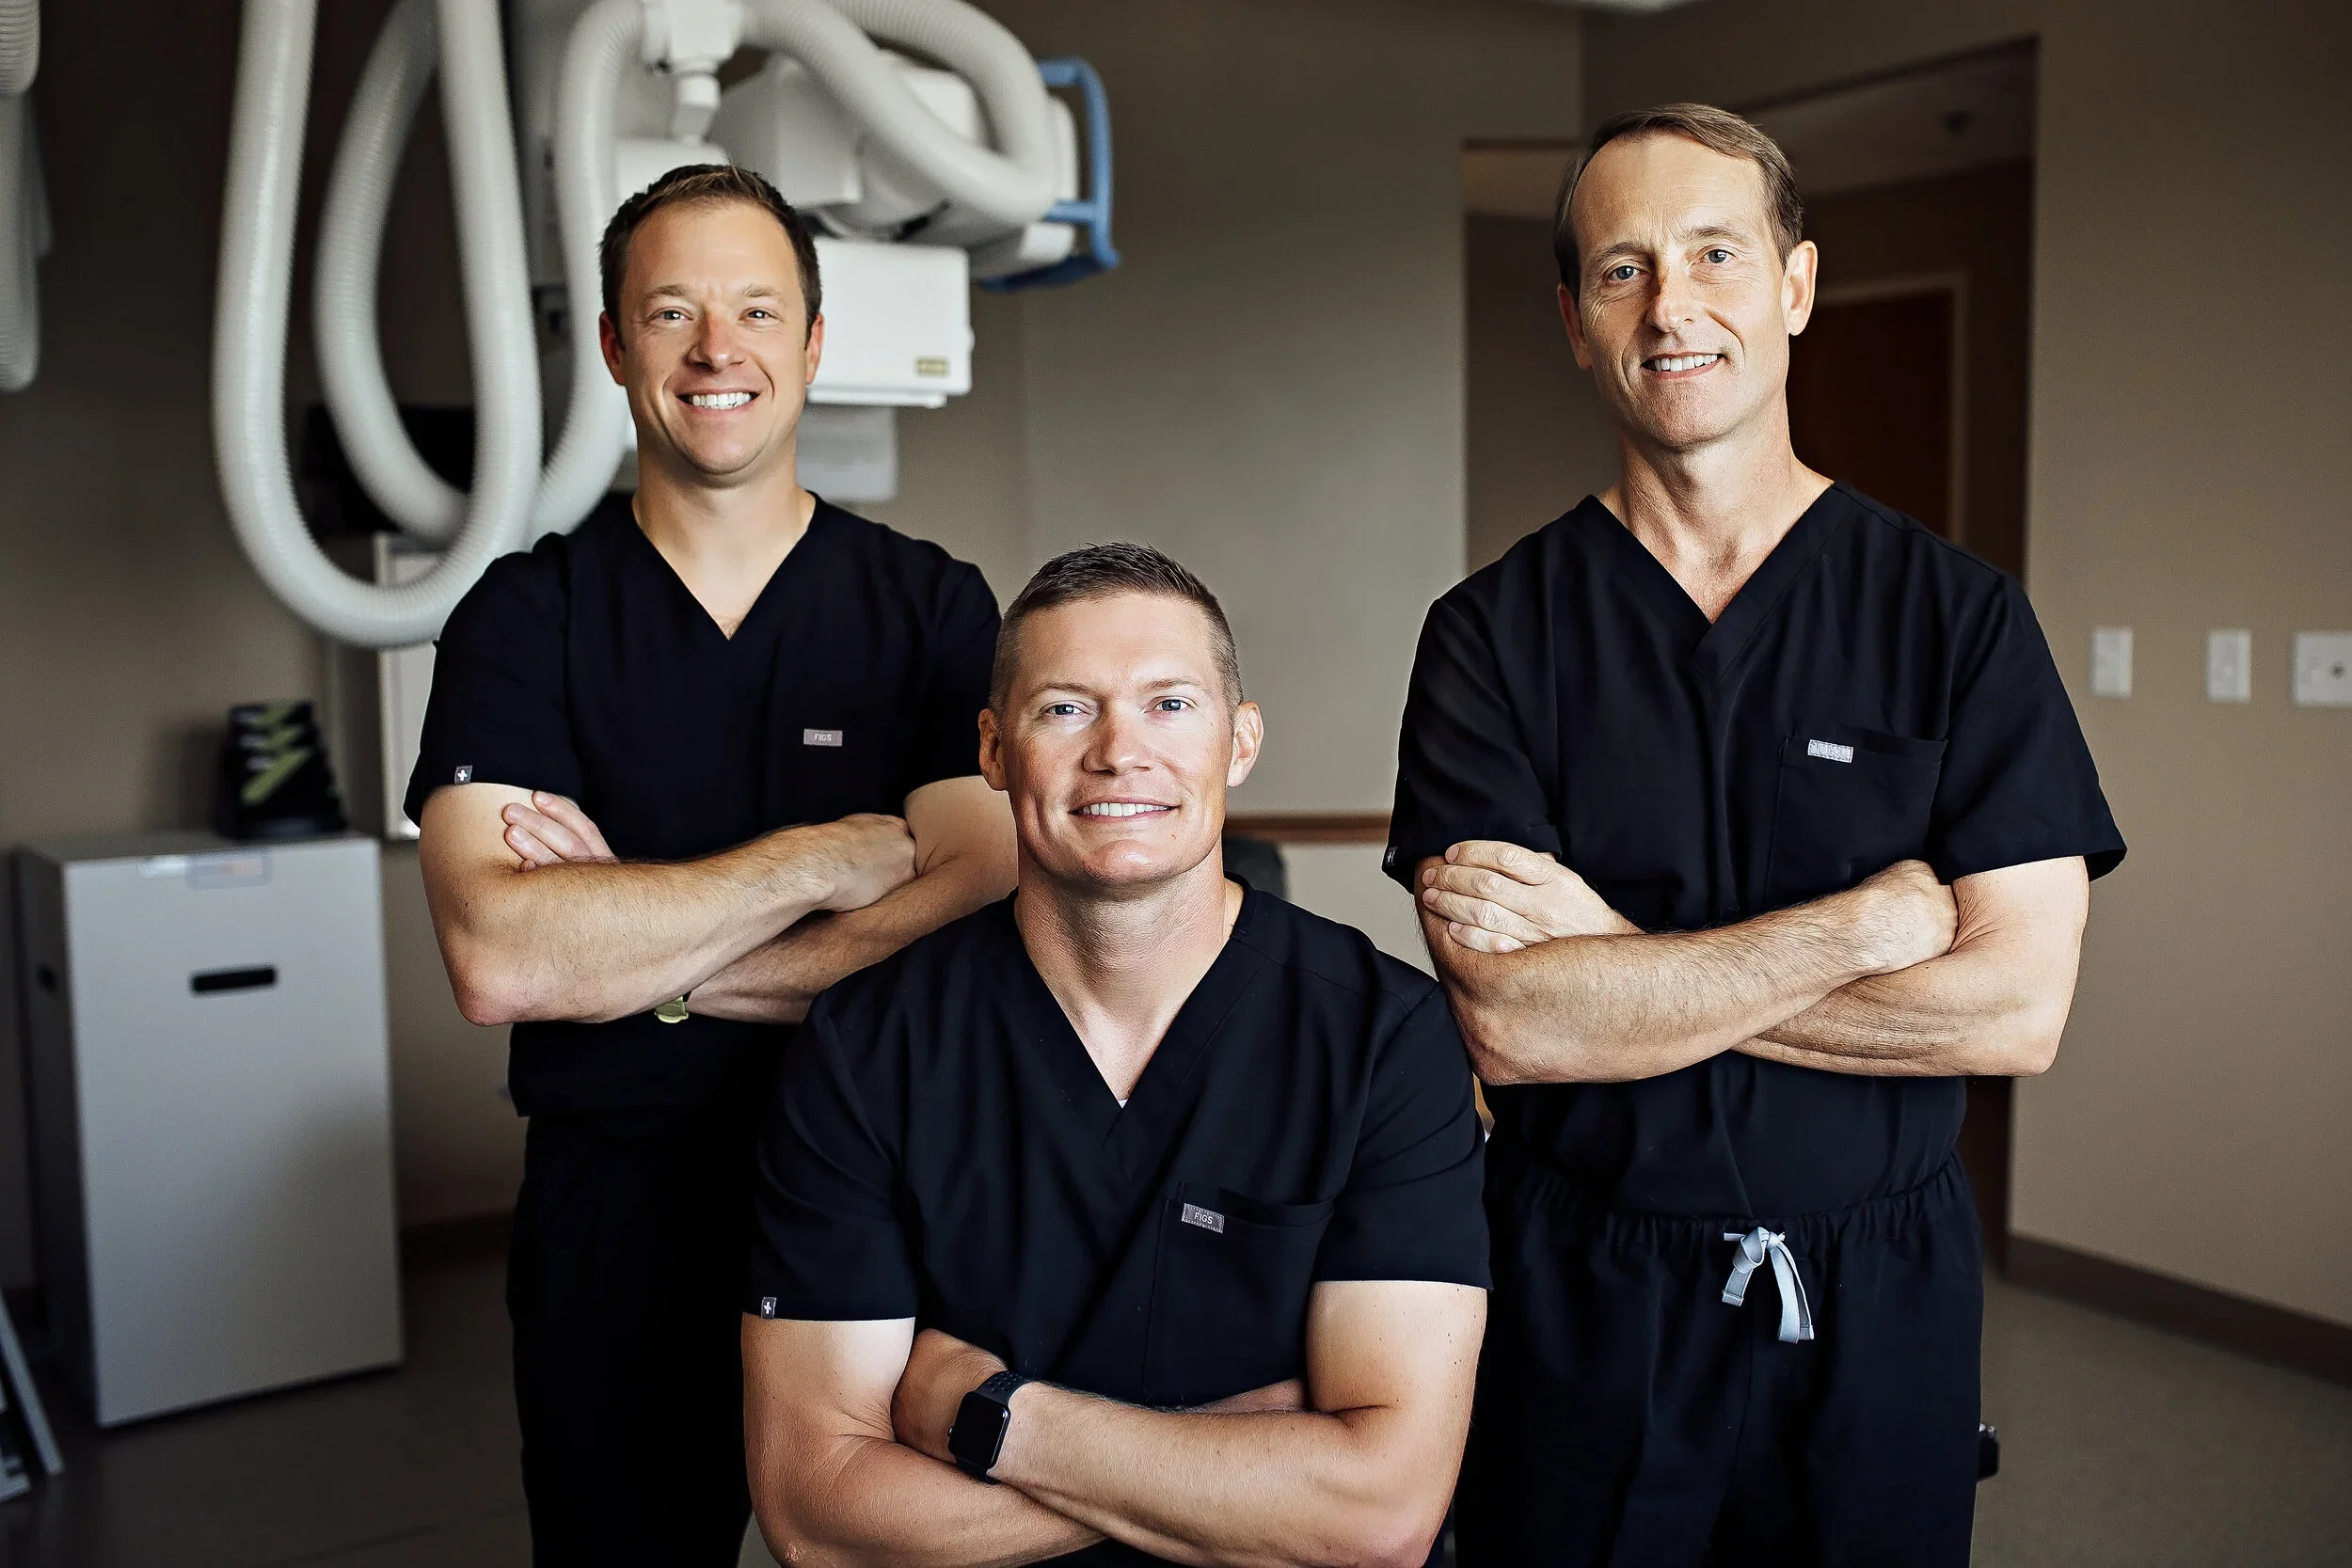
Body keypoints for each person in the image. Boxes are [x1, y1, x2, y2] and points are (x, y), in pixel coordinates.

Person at [1387, 105, 2126, 1567]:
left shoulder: (1959, 620)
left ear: (1795, 286)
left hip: (1880, 1294)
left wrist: (1618, 960)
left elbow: (2018, 1009)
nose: (1673, 307)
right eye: (1624, 269)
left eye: (1717, 254)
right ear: (1576, 322)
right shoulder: (1490, 637)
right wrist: (1860, 926)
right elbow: (1517, 1025)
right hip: (1586, 1286)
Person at [406, 164, 1014, 1565]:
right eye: (671, 311)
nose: (714, 349)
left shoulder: (928, 606)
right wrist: (821, 856)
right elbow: (500, 958)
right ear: (616, 347)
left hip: (890, 1183)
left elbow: (980, 900)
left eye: (755, 309)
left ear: (815, 340)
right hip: (616, 1211)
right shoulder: (525, 616)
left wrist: (637, 956)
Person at [742, 544, 1490, 1567]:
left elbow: (1381, 1515)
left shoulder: (1383, 1040)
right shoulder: (868, 1046)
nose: (1118, 751)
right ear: (994, 751)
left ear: (1240, 741)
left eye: (1169, 704)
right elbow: (817, 1512)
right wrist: (1240, 1463)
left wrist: (992, 1415)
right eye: (1065, 708)